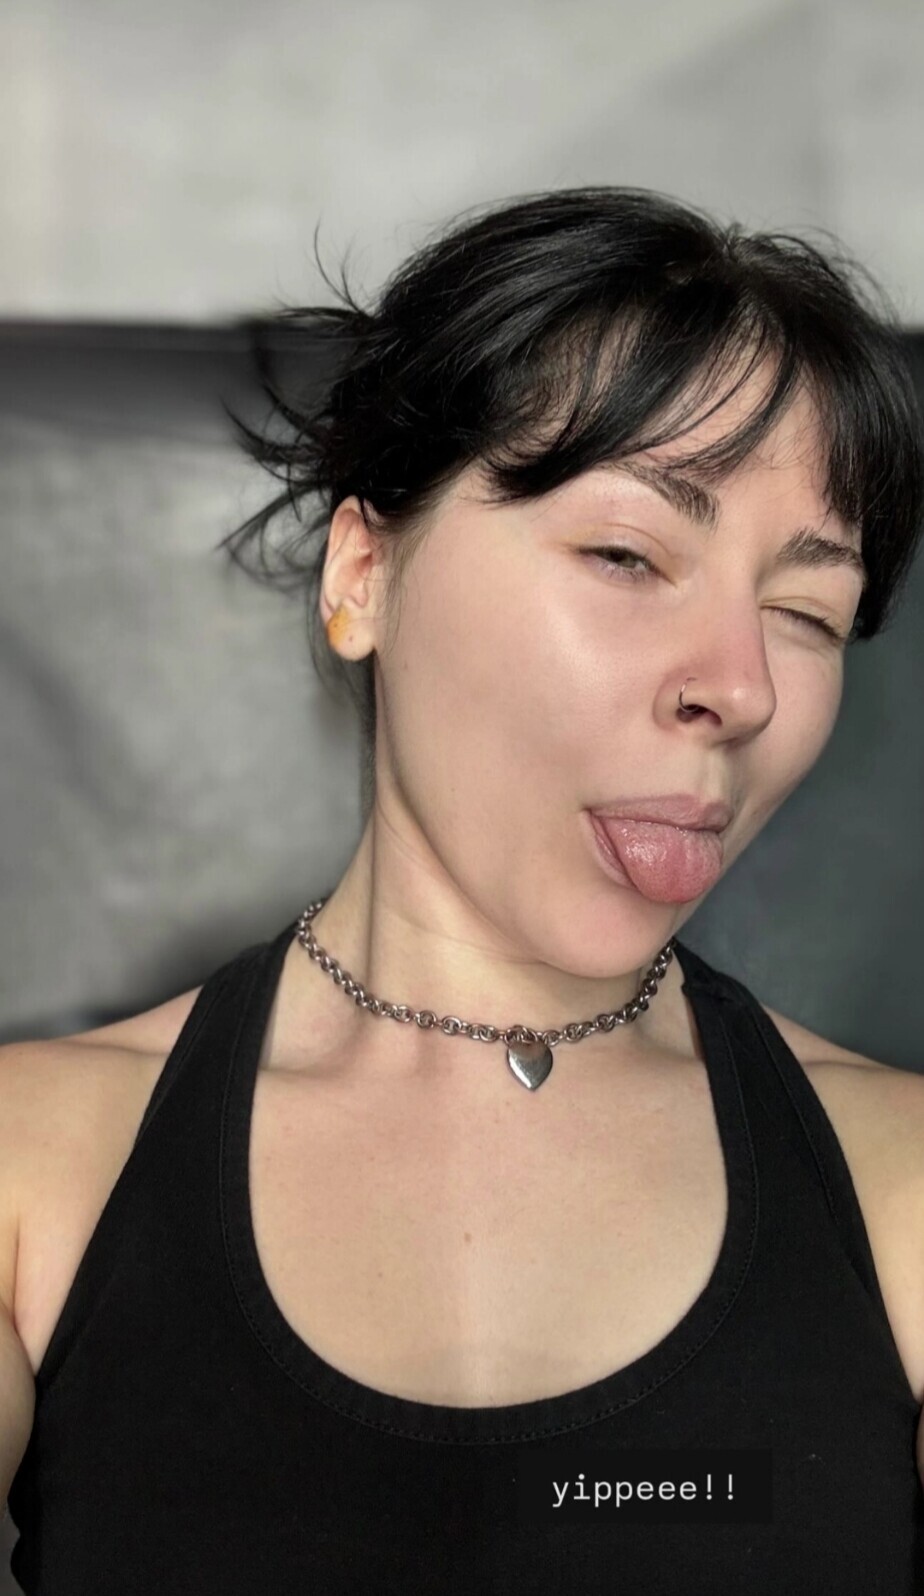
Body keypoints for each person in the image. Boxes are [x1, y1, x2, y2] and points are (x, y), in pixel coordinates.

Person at [2, 185, 924, 1592]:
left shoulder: (903, 1192)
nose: (740, 688)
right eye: (627, 554)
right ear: (363, 574)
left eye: (806, 612)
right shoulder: (34, 1170)